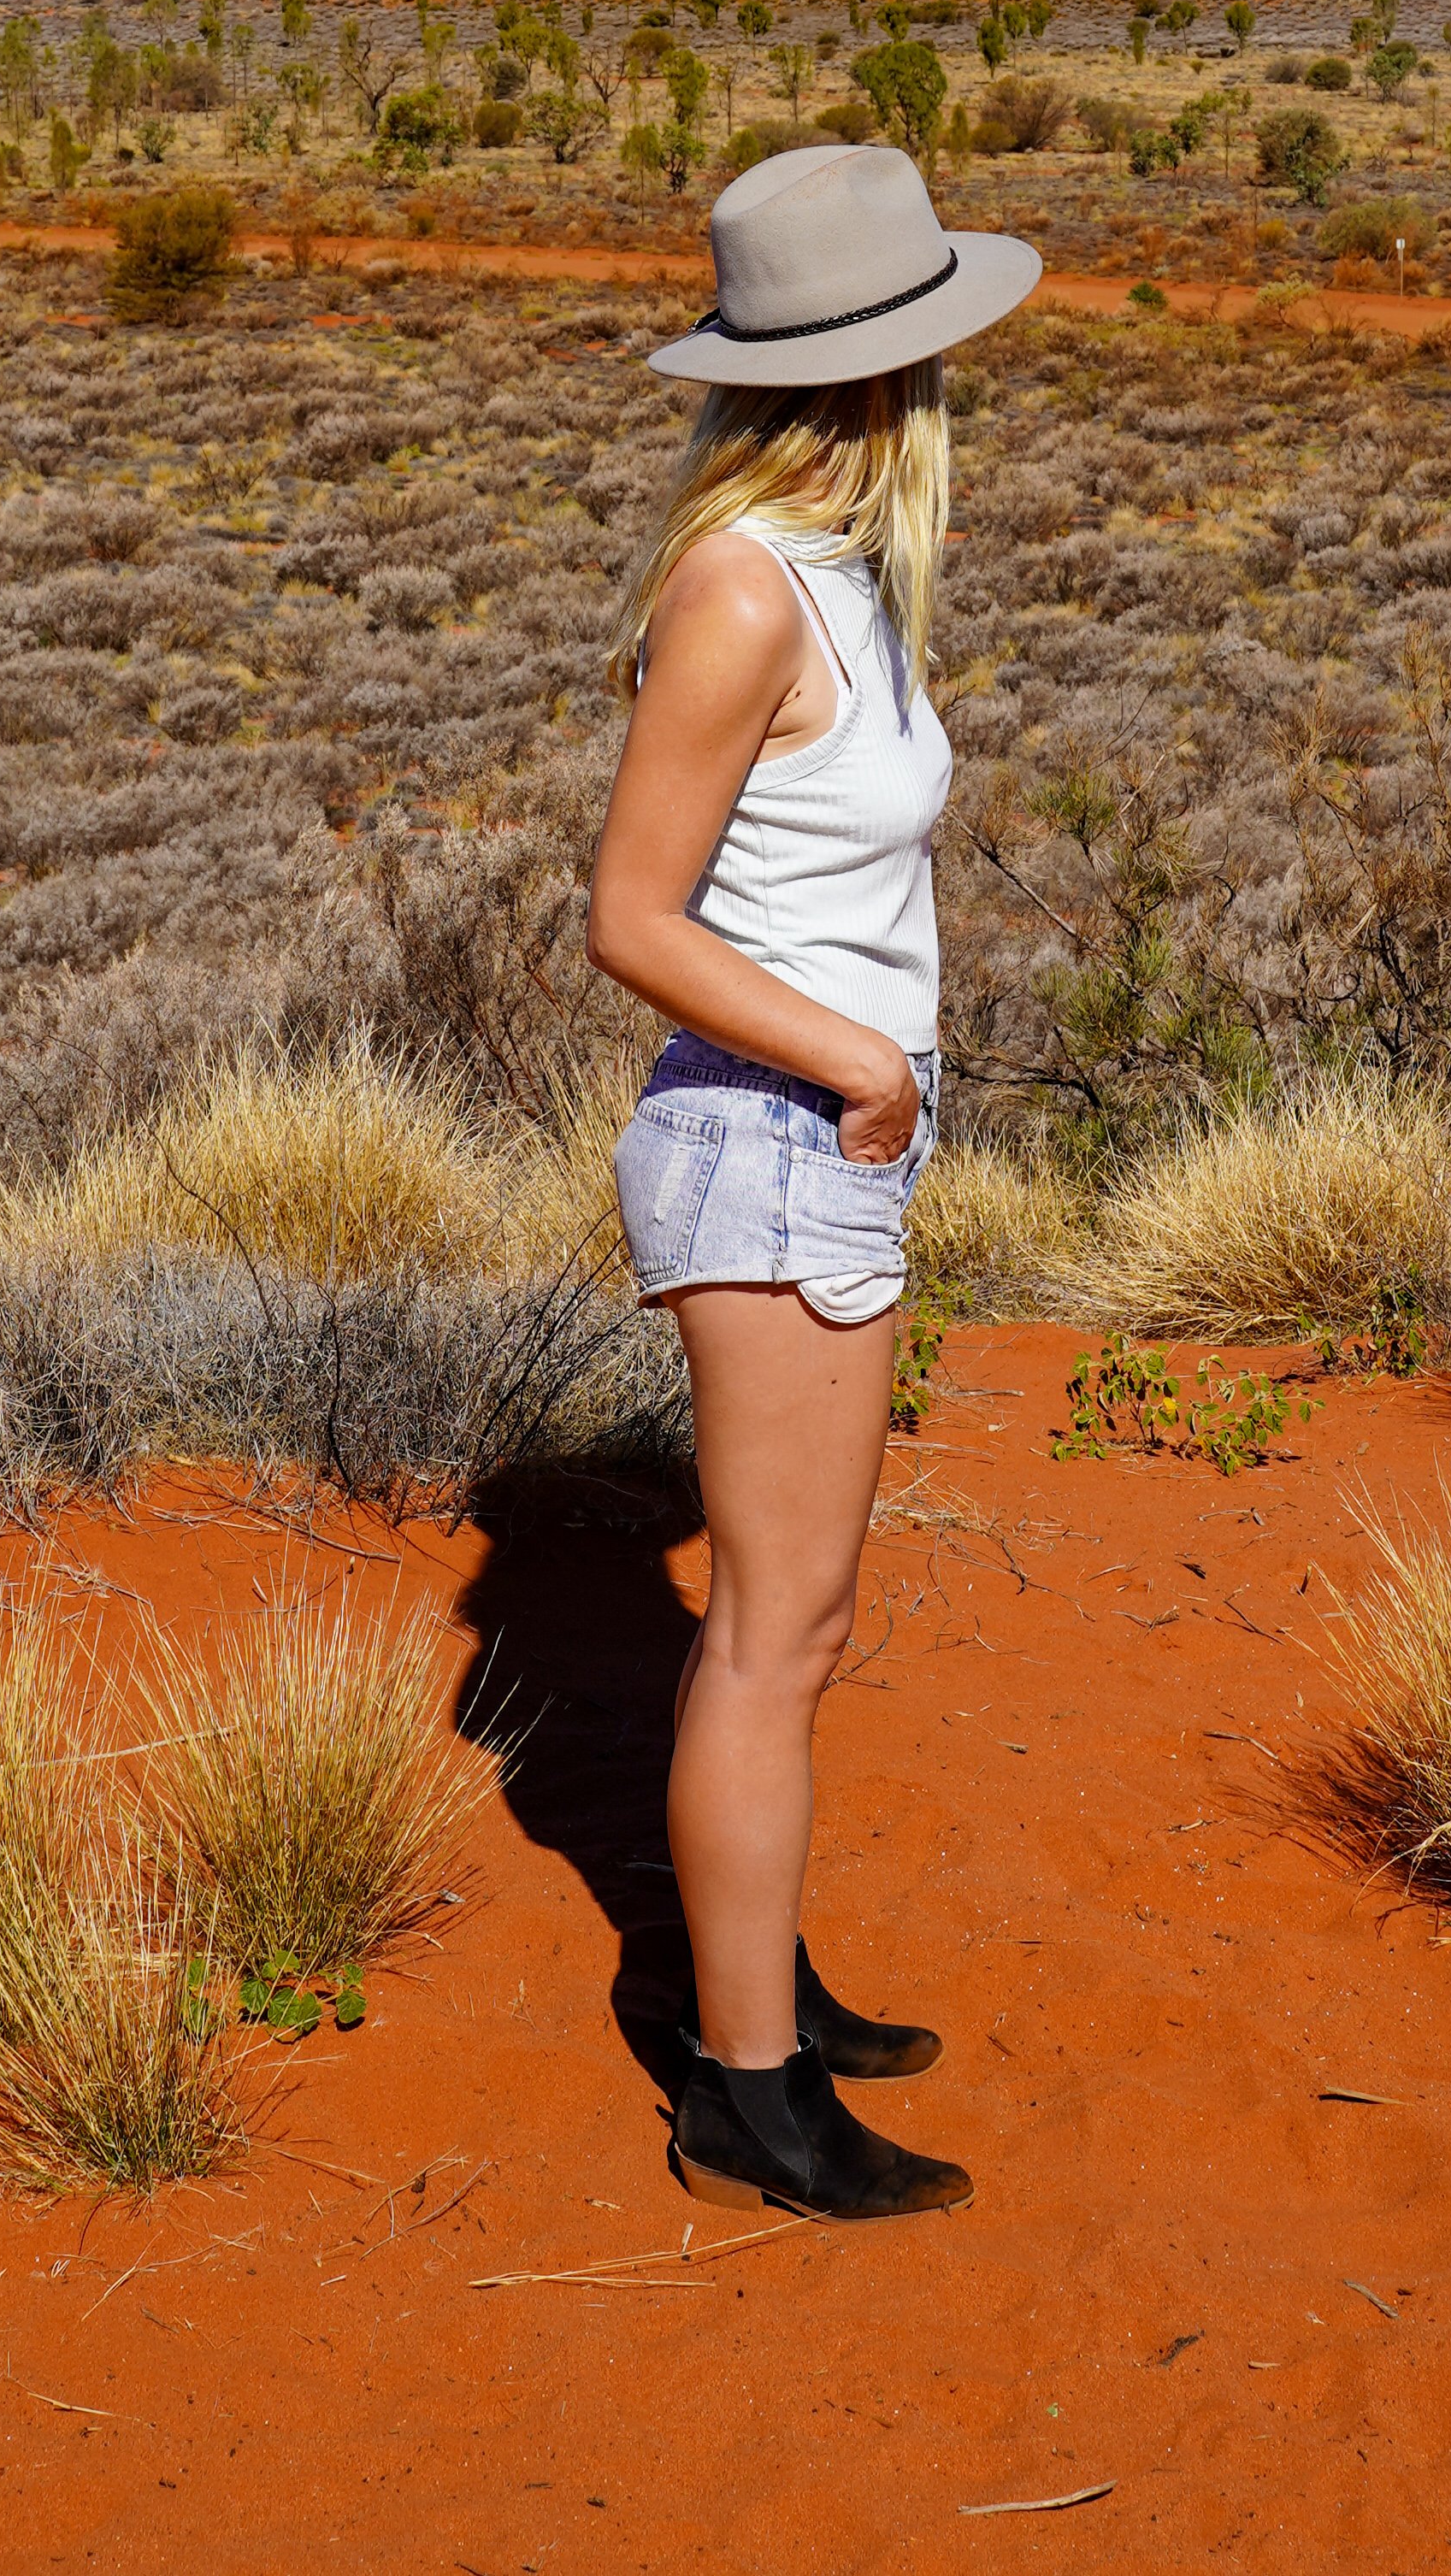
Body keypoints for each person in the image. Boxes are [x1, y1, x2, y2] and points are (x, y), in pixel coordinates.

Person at [587, 142, 1039, 2220]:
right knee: (774, 1636)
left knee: (799, 1622)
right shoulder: (747, 581)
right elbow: (631, 914)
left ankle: (765, 1989)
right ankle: (742, 2091)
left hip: (825, 1139)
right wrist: (860, 1052)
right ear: (878, 372)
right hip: (768, 1140)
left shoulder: (837, 567)